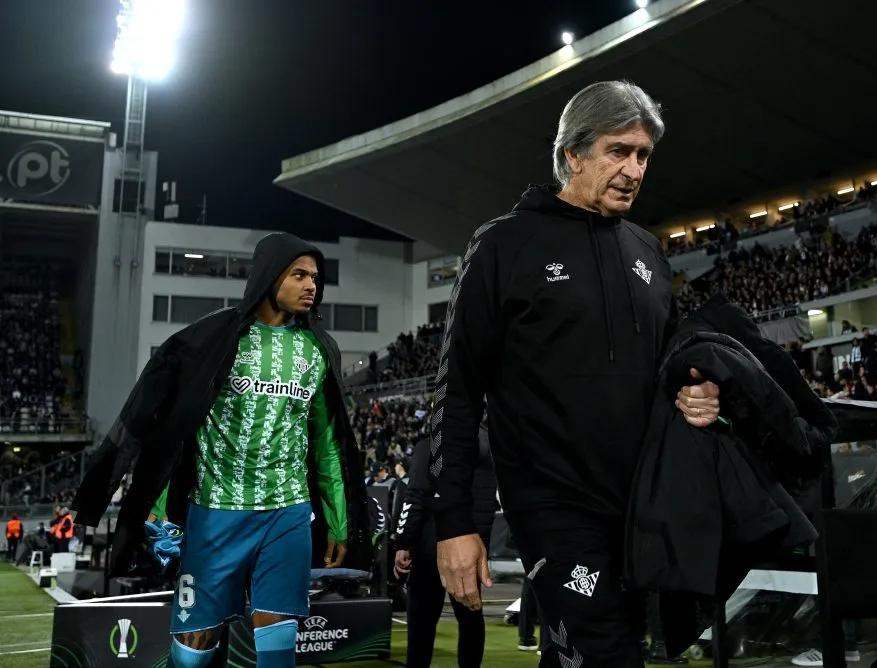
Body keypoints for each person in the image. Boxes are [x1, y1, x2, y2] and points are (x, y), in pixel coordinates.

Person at [429, 80, 721, 667]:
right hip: (555, 509)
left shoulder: (649, 253)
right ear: (573, 154)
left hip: (640, 505)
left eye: (643, 156)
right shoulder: (503, 245)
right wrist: (454, 524)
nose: (633, 169)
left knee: (589, 652)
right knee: (606, 652)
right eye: (618, 151)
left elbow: (668, 373)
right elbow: (457, 393)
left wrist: (699, 393)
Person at [71, 233, 370, 668]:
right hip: (215, 512)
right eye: (299, 275)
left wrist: (340, 521)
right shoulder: (213, 339)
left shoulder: (318, 350)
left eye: (315, 278)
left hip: (287, 513)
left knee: (278, 633)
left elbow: (326, 444)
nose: (312, 286)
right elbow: (173, 430)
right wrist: (156, 504)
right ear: (270, 278)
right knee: (195, 646)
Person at [393, 416, 497, 668]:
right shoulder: (489, 447)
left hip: (432, 546)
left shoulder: (429, 445)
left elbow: (414, 495)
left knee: (421, 626)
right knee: (471, 619)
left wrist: (403, 542)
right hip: (472, 546)